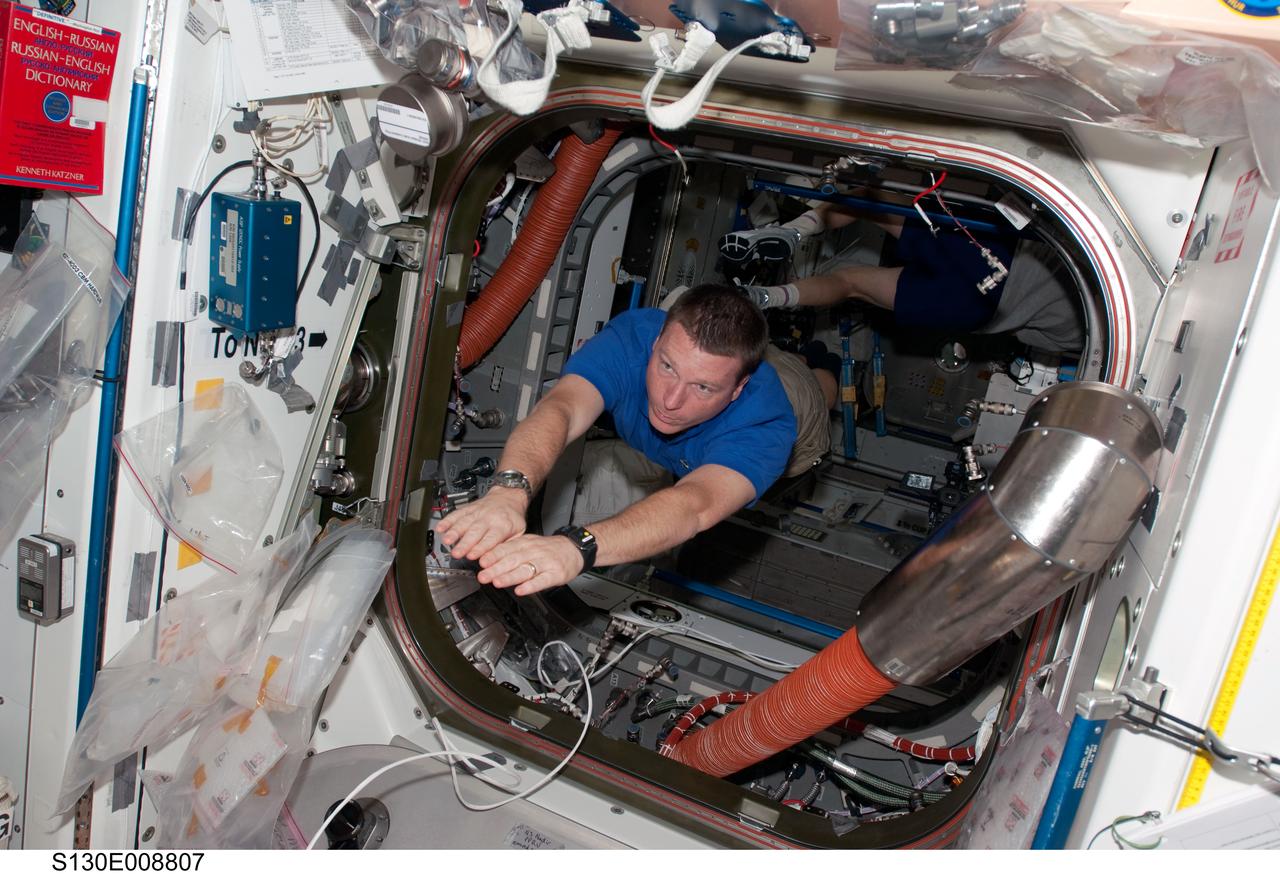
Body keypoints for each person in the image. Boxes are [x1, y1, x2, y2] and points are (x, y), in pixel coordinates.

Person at [435, 283, 834, 597]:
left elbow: (693, 506)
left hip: (794, 407)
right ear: (657, 341)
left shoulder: (766, 428)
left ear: (735, 390)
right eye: (666, 366)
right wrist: (509, 491)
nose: (670, 400)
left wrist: (577, 547)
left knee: (814, 389)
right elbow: (563, 408)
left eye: (703, 388)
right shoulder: (633, 337)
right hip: (683, 443)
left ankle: (822, 362)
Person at [723, 201, 1084, 353]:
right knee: (850, 283)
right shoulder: (1085, 340)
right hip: (975, 309)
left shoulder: (1111, 287)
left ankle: (795, 230)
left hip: (1004, 254)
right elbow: (1025, 334)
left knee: (870, 201)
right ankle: (767, 297)